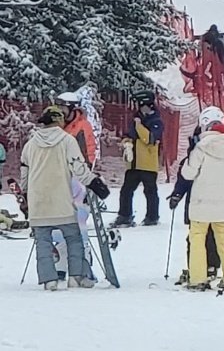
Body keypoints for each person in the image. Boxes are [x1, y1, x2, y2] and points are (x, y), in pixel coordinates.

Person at [20, 106, 103, 290]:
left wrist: (25, 195)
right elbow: (78, 167)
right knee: (73, 238)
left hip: (38, 201)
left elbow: (24, 173)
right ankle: (75, 277)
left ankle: (49, 280)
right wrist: (94, 183)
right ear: (59, 121)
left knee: (42, 241)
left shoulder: (30, 144)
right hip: (62, 200)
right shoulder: (67, 140)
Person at [178, 105, 224, 290]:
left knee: (197, 237)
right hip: (223, 201)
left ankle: (198, 278)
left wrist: (189, 157)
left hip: (200, 203)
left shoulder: (201, 146)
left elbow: (188, 174)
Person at [113, 92, 163, 227]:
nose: (142, 110)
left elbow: (150, 139)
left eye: (144, 106)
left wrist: (139, 126)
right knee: (126, 190)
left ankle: (152, 217)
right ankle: (125, 215)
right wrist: (126, 142)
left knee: (150, 191)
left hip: (147, 163)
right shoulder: (135, 119)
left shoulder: (156, 121)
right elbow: (127, 134)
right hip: (133, 163)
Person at [57, 91, 98, 166]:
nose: (60, 111)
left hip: (74, 169)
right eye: (58, 107)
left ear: (72, 108)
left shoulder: (83, 126)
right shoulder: (56, 124)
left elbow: (88, 150)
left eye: (62, 108)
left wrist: (86, 168)